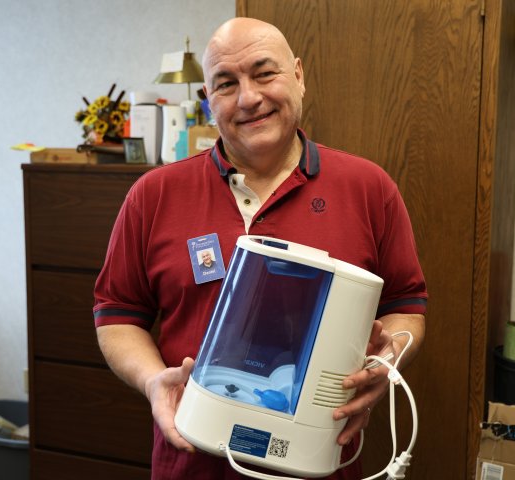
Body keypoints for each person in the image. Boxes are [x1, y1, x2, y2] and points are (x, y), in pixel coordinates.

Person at [94, 17, 427, 480]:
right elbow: (117, 316)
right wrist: (153, 381)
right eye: (226, 84)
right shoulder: (154, 195)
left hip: (318, 459)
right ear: (209, 101)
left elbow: (407, 307)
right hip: (191, 462)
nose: (249, 98)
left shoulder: (369, 189)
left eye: (264, 73)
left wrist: (380, 367)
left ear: (299, 75)